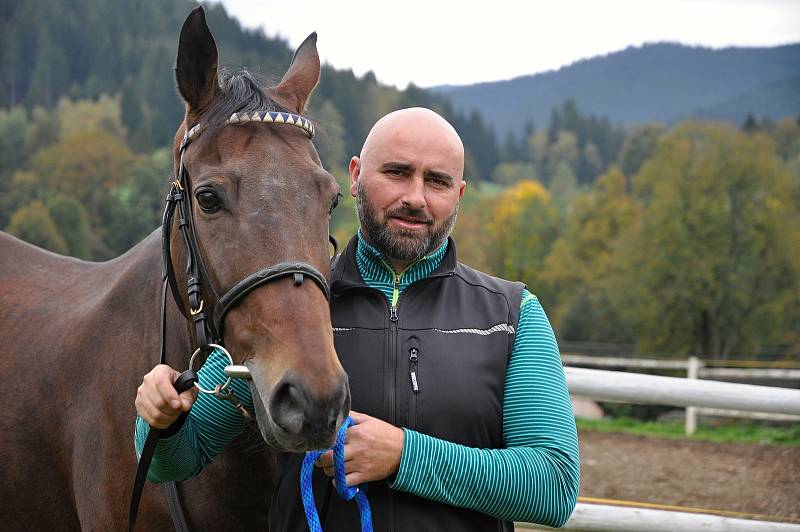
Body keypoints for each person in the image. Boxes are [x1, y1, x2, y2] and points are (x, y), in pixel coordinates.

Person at [135, 107, 580, 530]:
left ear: (459, 194)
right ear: (355, 176)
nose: (415, 197)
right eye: (397, 172)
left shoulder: (510, 314)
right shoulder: (287, 307)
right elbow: (174, 461)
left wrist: (403, 457)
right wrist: (159, 422)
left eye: (437, 181)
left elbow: (554, 485)